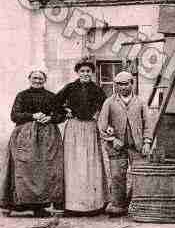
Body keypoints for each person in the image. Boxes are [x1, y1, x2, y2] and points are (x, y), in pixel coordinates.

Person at [0, 70, 65, 217]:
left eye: (40, 78)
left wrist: (50, 118)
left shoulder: (51, 97)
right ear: (29, 79)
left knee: (44, 170)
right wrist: (32, 116)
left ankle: (39, 207)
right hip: (24, 135)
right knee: (23, 167)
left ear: (45, 80)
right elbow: (14, 115)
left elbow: (61, 115)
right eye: (34, 78)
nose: (37, 80)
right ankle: (17, 203)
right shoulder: (22, 96)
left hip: (47, 137)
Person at [54, 58, 107, 214]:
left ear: (92, 73)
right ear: (77, 72)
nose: (85, 74)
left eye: (88, 71)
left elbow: (105, 106)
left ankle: (93, 205)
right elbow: (54, 102)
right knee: (73, 163)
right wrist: (66, 112)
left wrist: (98, 115)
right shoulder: (70, 88)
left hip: (90, 128)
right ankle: (73, 206)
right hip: (74, 128)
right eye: (82, 71)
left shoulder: (96, 89)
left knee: (91, 163)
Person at [98, 71, 153, 217]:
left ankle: (138, 203)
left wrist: (147, 142)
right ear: (116, 86)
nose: (122, 87)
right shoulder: (109, 102)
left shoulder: (140, 102)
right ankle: (118, 206)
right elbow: (102, 125)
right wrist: (112, 140)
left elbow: (148, 124)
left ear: (132, 84)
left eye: (125, 84)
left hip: (137, 146)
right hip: (117, 147)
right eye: (119, 85)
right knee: (117, 175)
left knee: (140, 175)